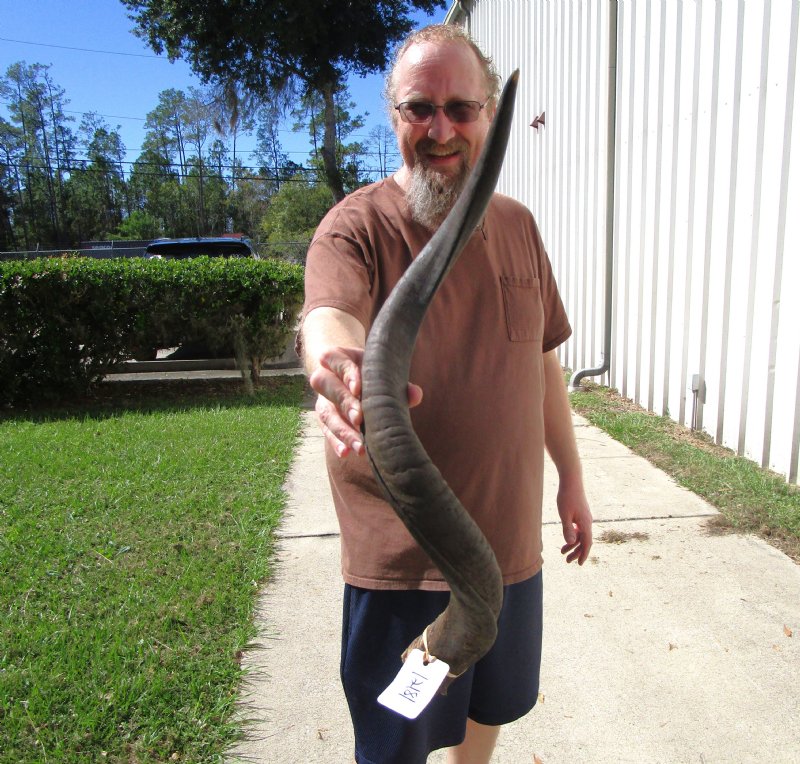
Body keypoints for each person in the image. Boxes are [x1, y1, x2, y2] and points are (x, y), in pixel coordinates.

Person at [298, 23, 593, 764]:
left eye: (461, 109)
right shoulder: (354, 228)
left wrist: (572, 478)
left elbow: (542, 365)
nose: (440, 130)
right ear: (393, 114)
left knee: (487, 711)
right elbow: (328, 318)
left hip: (509, 552)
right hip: (404, 567)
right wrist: (335, 366)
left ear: (488, 113)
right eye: (419, 109)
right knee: (398, 743)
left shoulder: (519, 226)